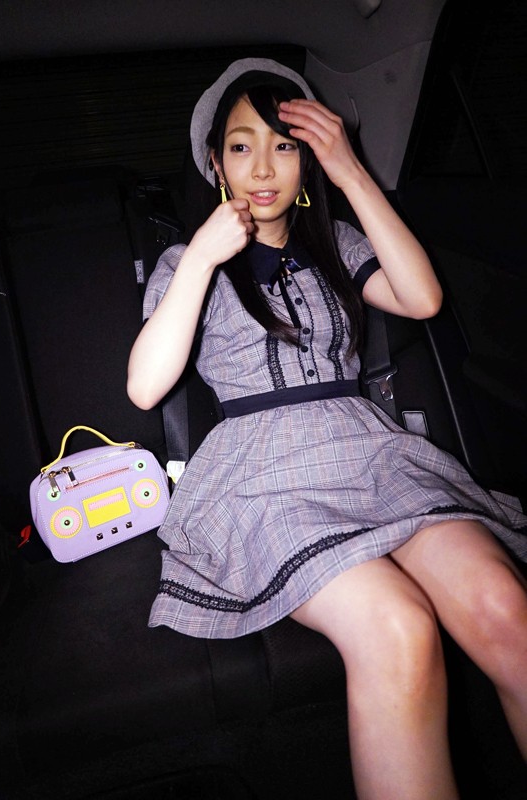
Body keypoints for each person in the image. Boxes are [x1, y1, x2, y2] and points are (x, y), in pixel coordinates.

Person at [127, 59, 527, 799]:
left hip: (368, 451)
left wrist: (350, 171)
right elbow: (146, 385)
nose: (263, 168)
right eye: (241, 147)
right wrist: (205, 255)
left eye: (285, 145)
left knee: (507, 608)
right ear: (214, 162)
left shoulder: (335, 244)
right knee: (397, 627)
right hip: (261, 475)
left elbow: (422, 298)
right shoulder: (188, 262)